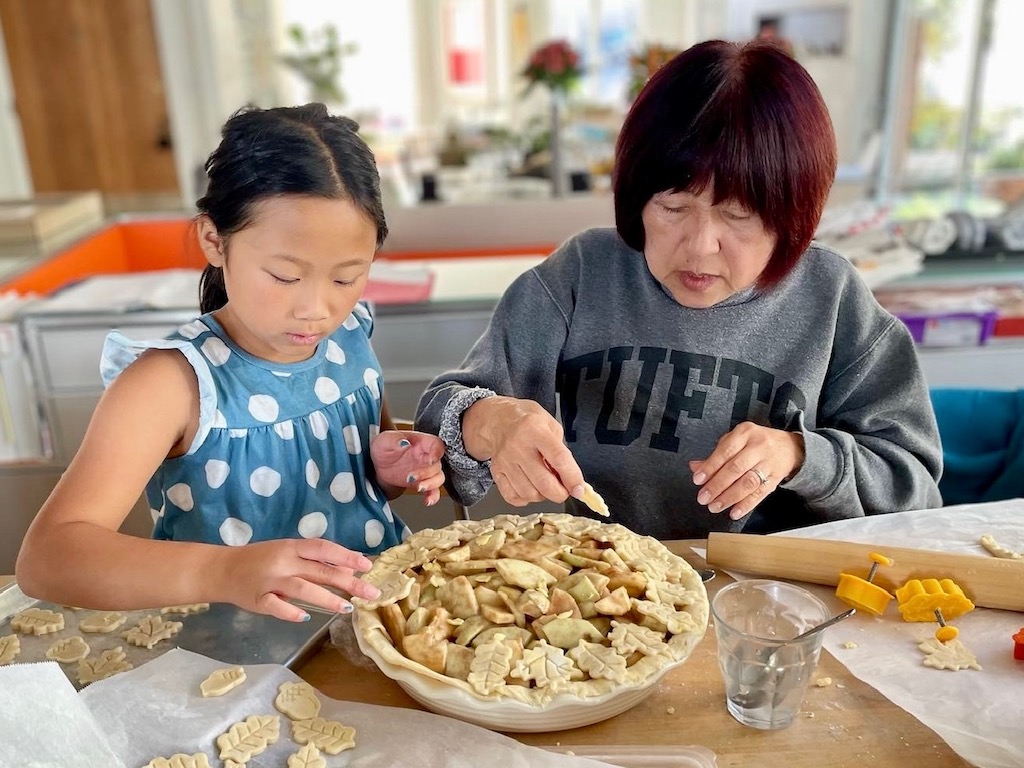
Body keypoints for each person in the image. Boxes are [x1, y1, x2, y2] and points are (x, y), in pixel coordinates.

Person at [416, 40, 943, 541]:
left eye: (739, 216)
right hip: (607, 590)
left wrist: (801, 456)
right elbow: (440, 412)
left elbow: (915, 489)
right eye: (672, 208)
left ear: (793, 219)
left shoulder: (832, 300)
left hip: (777, 602)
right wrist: (492, 421)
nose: (699, 247)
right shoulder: (581, 277)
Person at [17, 104, 446, 621]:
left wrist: (392, 465)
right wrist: (223, 573)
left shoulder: (350, 335)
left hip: (376, 625)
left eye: (346, 277)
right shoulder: (170, 383)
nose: (317, 309)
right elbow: (49, 558)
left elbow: (359, 487)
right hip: (231, 658)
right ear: (214, 240)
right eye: (286, 277)